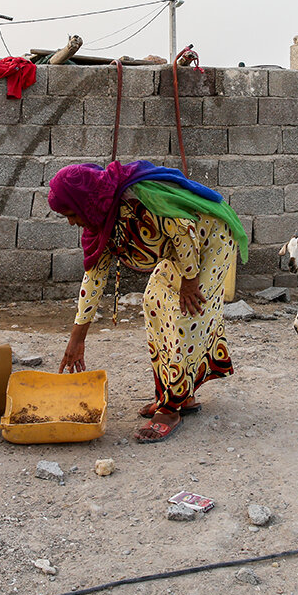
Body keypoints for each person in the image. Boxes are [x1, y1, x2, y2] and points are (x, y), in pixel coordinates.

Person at [47, 160, 249, 443]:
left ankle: (170, 409)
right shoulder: (100, 223)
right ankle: (177, 394)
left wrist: (190, 280)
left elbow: (183, 227)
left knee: (186, 314)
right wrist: (77, 338)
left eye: (70, 213)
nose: (71, 221)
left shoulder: (137, 198)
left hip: (209, 239)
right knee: (153, 301)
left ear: (83, 202)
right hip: (182, 249)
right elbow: (93, 280)